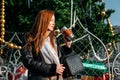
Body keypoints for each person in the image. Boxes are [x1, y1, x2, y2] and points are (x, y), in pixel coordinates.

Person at [21, 9, 72, 80]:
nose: (53, 23)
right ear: (43, 20)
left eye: (54, 21)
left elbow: (60, 60)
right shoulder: (30, 38)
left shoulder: (53, 39)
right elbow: (28, 61)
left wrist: (67, 46)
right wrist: (52, 68)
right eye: (51, 20)